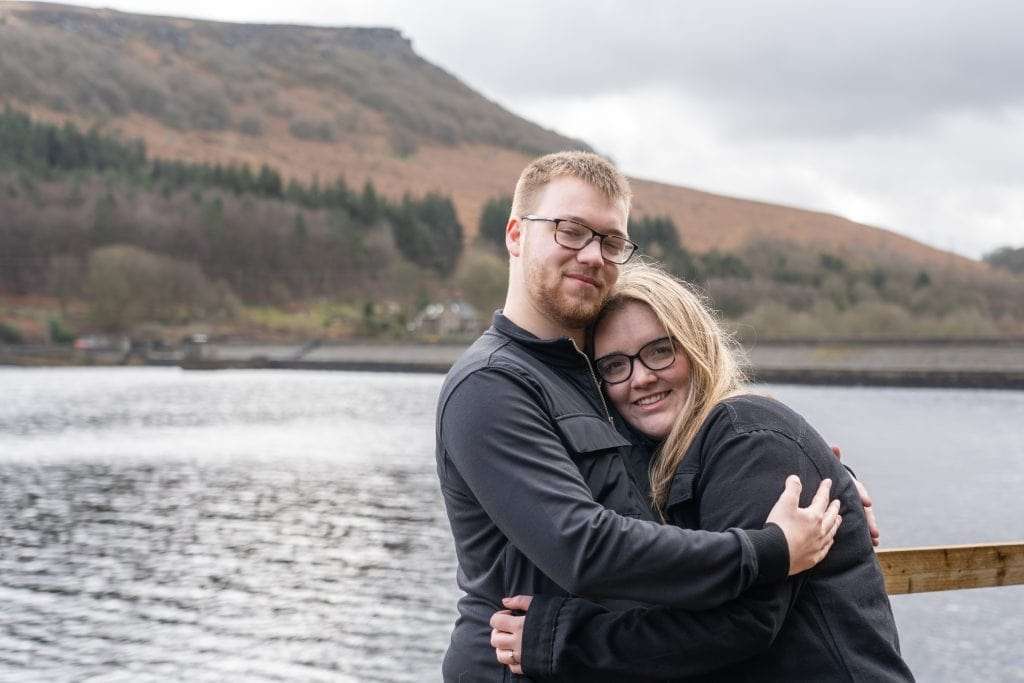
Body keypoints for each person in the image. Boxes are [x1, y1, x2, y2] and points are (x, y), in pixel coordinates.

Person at [436, 152, 852, 681]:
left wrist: (829, 478)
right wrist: (769, 550)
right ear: (516, 235)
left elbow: (690, 471)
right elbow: (584, 547)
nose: (592, 254)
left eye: (611, 241)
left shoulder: (596, 377)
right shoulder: (491, 384)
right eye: (570, 231)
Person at [488, 264, 913, 681]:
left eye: (660, 350)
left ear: (697, 346)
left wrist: (562, 640)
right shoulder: (657, 459)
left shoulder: (746, 435)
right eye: (616, 365)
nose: (641, 378)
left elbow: (742, 622)